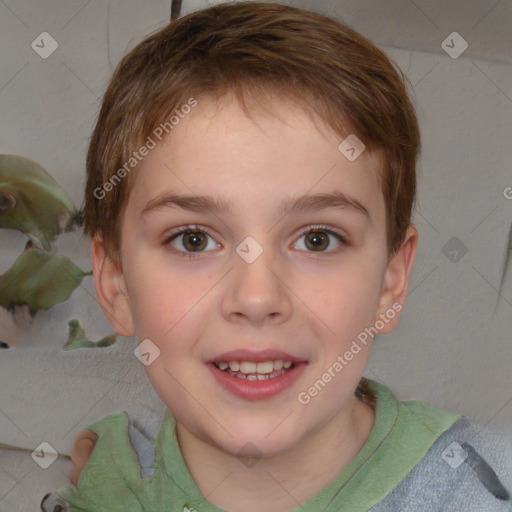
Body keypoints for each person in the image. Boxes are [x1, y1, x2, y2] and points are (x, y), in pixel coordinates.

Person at [40, 2, 512, 511]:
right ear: (114, 283)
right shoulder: (111, 472)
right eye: (193, 239)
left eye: (318, 240)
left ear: (390, 283)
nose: (258, 297)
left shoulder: (478, 491)